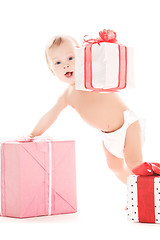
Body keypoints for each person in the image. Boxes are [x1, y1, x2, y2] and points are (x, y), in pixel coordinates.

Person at [29, 32, 144, 184]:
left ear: (83, 57)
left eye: (71, 58)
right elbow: (51, 115)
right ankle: (134, 193)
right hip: (108, 136)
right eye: (58, 63)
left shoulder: (92, 78)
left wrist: (109, 40)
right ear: (52, 70)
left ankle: (148, 194)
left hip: (128, 125)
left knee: (134, 164)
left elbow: (108, 59)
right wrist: (32, 136)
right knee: (115, 168)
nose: (66, 65)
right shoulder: (67, 96)